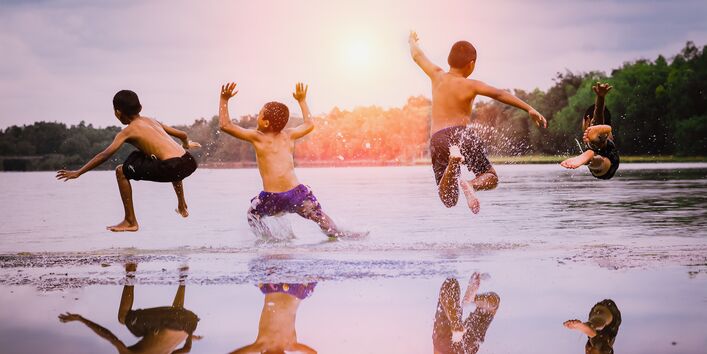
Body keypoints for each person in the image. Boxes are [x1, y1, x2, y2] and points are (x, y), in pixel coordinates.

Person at [408, 31, 547, 214]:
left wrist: (412, 41)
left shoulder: (437, 75)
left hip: (439, 138)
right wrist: (529, 108)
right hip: (462, 135)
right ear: (471, 64)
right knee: (491, 177)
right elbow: (499, 94)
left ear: (449, 60)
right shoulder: (472, 85)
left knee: (449, 199)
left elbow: (417, 55)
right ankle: (470, 184)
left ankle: (453, 163)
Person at [55, 90, 200, 232]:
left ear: (118, 112)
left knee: (121, 171)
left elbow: (104, 155)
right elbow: (183, 134)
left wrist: (78, 172)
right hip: (188, 161)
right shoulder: (151, 121)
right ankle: (182, 204)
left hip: (171, 167)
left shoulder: (128, 131)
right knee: (155, 157)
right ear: (139, 107)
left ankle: (130, 221)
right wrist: (186, 144)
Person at [218, 82, 341, 238]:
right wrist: (302, 101)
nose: (257, 117)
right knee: (317, 215)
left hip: (272, 197)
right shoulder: (289, 135)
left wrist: (224, 99)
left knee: (252, 216)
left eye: (259, 114)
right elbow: (309, 124)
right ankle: (338, 234)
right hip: (296, 194)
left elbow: (225, 125)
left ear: (266, 122)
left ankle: (270, 241)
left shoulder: (257, 138)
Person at [58, 263, 201, 354]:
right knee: (123, 318)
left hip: (190, 323)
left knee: (173, 317)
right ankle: (130, 272)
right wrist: (81, 319)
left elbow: (186, 350)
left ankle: (182, 279)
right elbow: (111, 338)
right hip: (172, 321)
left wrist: (189, 335)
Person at [230, 281, 318, 353]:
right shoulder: (263, 344)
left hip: (296, 291)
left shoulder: (290, 345)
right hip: (274, 288)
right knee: (264, 273)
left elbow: (313, 353)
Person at [560, 82, 619, 179]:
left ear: (586, 120)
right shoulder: (598, 137)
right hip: (605, 158)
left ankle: (589, 156)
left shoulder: (592, 131)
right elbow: (599, 116)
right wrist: (600, 97)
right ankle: (589, 156)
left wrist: (600, 98)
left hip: (605, 161)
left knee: (595, 143)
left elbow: (598, 115)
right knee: (596, 142)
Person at [432, 272, 500, 354]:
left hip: (457, 347)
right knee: (450, 284)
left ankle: (456, 324)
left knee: (450, 284)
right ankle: (471, 300)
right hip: (452, 346)